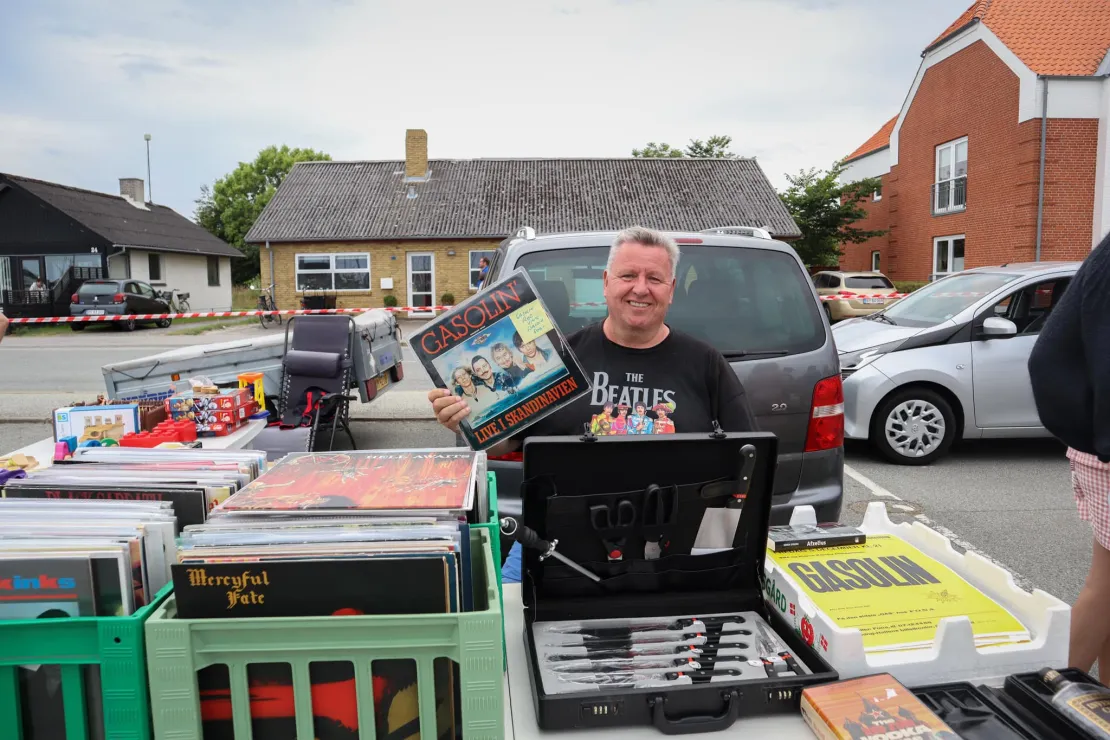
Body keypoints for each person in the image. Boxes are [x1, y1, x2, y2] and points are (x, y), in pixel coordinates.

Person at [427, 226, 758, 581]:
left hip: (671, 552)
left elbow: (749, 464)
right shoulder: (560, 361)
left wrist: (717, 548)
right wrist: (466, 421)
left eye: (655, 278)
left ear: (671, 290)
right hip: (553, 545)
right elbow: (506, 442)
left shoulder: (705, 363)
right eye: (628, 275)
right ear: (606, 282)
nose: (640, 288)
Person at [1028, 230, 1110, 673]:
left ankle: (1098, 712)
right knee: (1107, 588)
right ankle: (1049, 706)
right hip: (1104, 449)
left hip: (1097, 445)